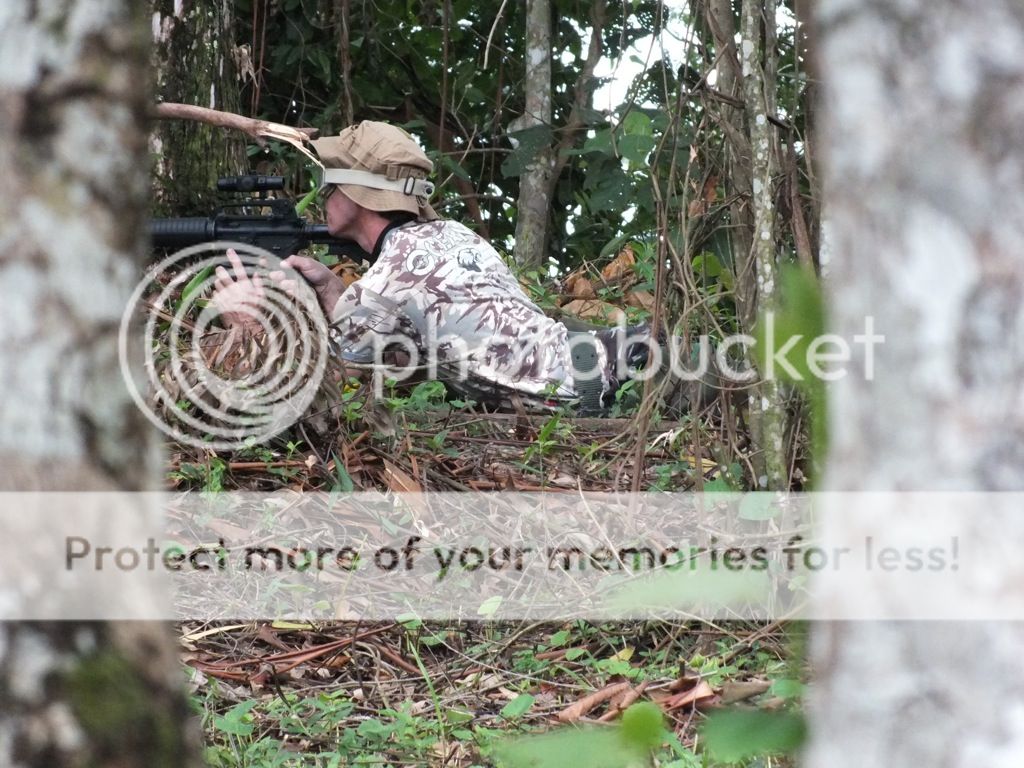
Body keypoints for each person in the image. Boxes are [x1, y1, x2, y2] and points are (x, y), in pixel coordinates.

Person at [214, 121, 652, 413]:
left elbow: (327, 397)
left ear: (358, 193)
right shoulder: (452, 236)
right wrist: (336, 293)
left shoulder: (385, 289)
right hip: (626, 353)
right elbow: (413, 346)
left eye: (329, 181)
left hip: (625, 387)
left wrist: (248, 323)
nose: (323, 194)